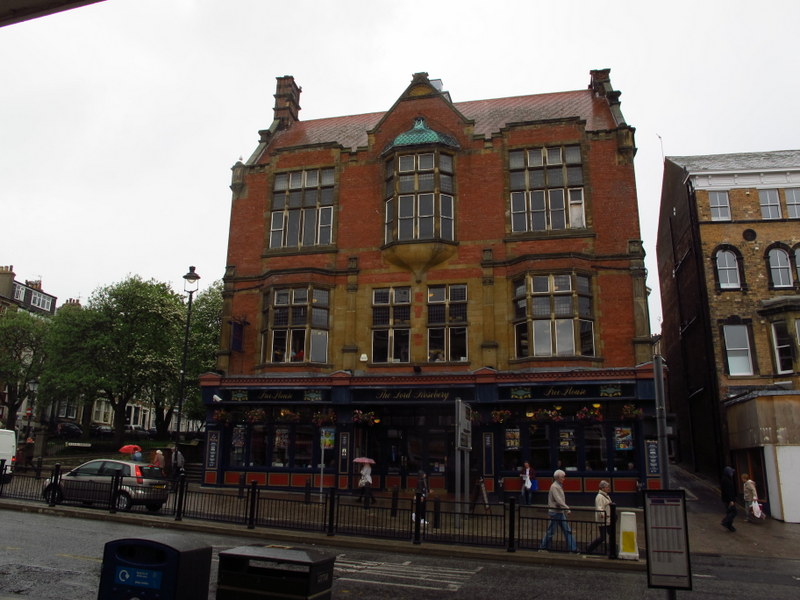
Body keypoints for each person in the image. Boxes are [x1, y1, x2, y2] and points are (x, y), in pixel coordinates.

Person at [539, 469, 578, 552]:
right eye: (563, 477)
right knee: (552, 531)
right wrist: (567, 508)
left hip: (558, 512)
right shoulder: (555, 487)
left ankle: (573, 548)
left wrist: (565, 509)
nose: (564, 479)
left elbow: (560, 500)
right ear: (558, 478)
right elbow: (559, 500)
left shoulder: (557, 486)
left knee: (565, 531)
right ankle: (543, 547)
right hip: (555, 512)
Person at [586, 480, 613, 554]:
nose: (608, 488)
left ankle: (611, 550)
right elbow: (599, 507)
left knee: (611, 534)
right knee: (603, 537)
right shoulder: (600, 497)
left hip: (607, 520)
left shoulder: (606, 495)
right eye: (607, 487)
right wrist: (602, 514)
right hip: (603, 520)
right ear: (602, 488)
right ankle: (590, 548)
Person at [720, 466, 737, 532]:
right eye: (731, 472)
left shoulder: (725, 479)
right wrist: (731, 500)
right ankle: (726, 522)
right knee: (734, 512)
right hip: (728, 499)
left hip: (726, 499)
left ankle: (729, 525)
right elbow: (728, 491)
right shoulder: (727, 480)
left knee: (729, 512)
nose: (732, 474)